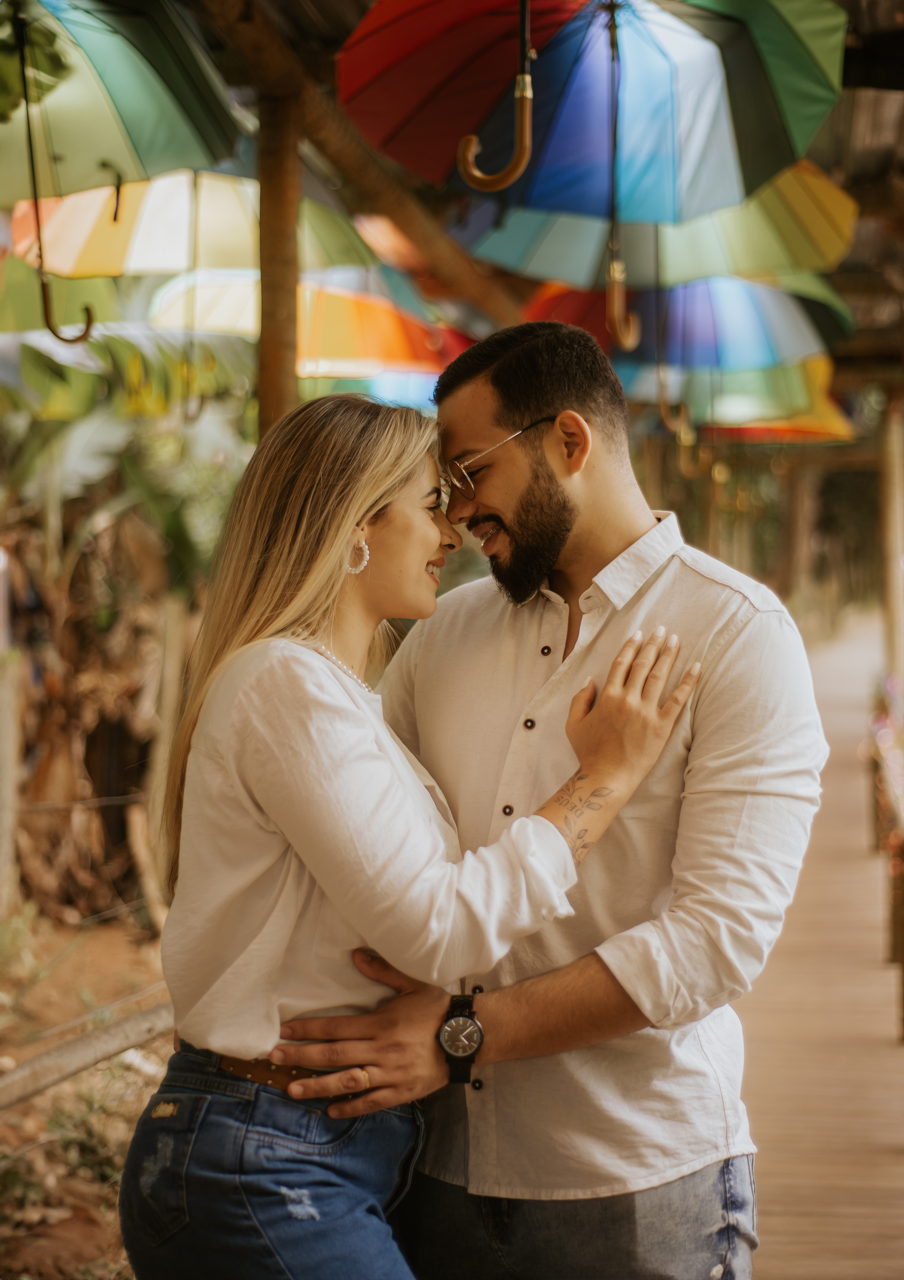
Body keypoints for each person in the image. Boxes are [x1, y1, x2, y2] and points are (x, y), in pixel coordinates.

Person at [270, 325, 830, 1280]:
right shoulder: (439, 634)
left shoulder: (738, 635)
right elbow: (375, 860)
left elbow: (718, 941)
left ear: (568, 441)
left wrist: (461, 1036)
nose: (455, 512)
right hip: (428, 1172)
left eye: (468, 471)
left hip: (637, 1186)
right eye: (440, 488)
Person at [117, 394, 698, 1280]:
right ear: (356, 526)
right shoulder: (287, 687)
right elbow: (440, 924)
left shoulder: (340, 698)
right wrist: (602, 782)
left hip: (307, 1149)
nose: (453, 531)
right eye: (431, 503)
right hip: (267, 1160)